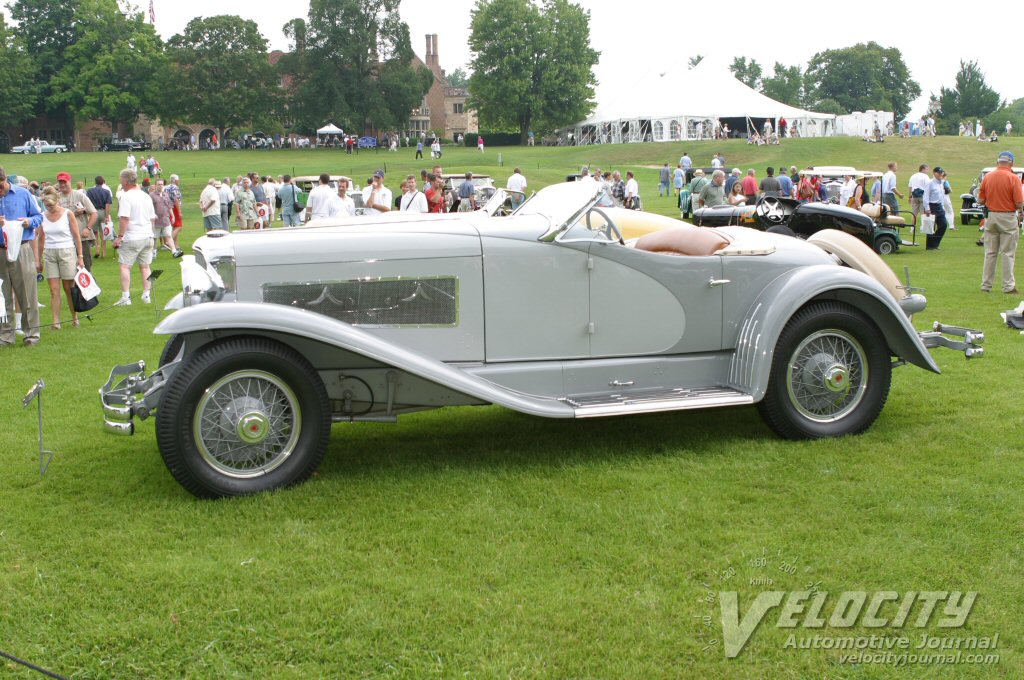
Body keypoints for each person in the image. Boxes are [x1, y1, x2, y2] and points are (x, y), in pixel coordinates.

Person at [0, 166, 44, 345]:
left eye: (0, 186)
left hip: (22, 248)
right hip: (0, 251)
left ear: (5, 180)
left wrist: (28, 222)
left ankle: (31, 334)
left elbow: (38, 217)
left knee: (27, 292)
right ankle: (5, 336)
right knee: (2, 296)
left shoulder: (23, 194)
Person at [37, 186, 84, 329]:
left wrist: (80, 256)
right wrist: (38, 259)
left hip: (67, 252)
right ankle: (56, 322)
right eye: (46, 205)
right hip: (50, 253)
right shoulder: (42, 216)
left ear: (57, 201)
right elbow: (40, 239)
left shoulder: (68, 214)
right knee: (54, 289)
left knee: (69, 288)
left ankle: (74, 317)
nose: (49, 208)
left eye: (51, 205)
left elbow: (76, 236)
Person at [979, 151, 1024, 293]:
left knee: (990, 253)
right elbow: (1019, 202)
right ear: (1011, 162)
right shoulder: (1013, 178)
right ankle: (1008, 286)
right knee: (1008, 253)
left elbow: (981, 200)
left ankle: (986, 285)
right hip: (1008, 217)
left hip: (991, 217)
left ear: (997, 161)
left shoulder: (988, 177)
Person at [113, 169, 156, 306]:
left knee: (125, 266)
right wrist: (151, 234)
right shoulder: (146, 196)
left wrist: (120, 236)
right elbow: (152, 219)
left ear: (125, 181)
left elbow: (124, 219)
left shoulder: (126, 196)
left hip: (132, 236)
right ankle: (146, 295)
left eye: (121, 180)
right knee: (145, 266)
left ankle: (126, 297)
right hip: (147, 235)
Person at [56, 171, 97, 271]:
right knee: (69, 269)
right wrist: (74, 214)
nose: (62, 184)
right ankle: (73, 287)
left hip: (81, 237)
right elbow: (55, 219)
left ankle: (89, 286)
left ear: (69, 182)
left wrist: (88, 228)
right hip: (65, 239)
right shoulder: (57, 198)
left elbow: (93, 213)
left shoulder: (79, 195)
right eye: (60, 182)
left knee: (85, 267)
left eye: (64, 182)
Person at [86, 175, 113, 260]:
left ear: (95, 182)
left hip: (93, 212)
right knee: (103, 233)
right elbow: (107, 205)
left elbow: (88, 202)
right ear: (103, 182)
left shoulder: (89, 191)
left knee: (95, 233)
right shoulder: (106, 192)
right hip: (102, 211)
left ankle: (97, 250)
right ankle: (103, 252)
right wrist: (107, 215)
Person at [165, 174, 184, 250]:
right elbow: (176, 200)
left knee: (174, 227)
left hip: (168, 208)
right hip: (175, 208)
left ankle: (176, 245)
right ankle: (168, 242)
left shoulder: (166, 188)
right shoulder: (175, 188)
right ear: (175, 180)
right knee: (179, 226)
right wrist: (179, 212)